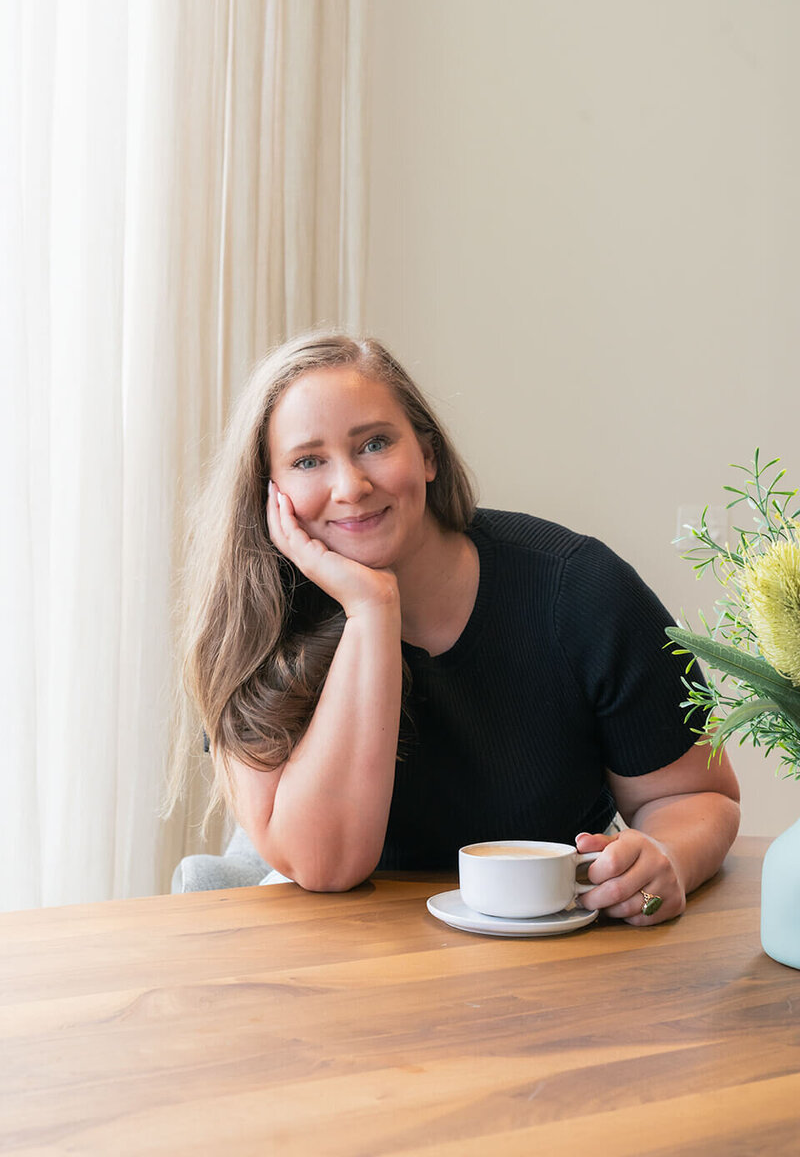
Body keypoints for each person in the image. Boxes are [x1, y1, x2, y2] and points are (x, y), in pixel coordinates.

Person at [179, 331, 740, 926]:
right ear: (271, 492)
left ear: (428, 454)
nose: (350, 487)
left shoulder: (580, 589)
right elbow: (326, 867)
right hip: (339, 950)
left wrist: (666, 858)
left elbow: (694, 795)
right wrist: (371, 611)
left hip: (546, 943)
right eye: (308, 461)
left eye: (374, 443)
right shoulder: (253, 625)